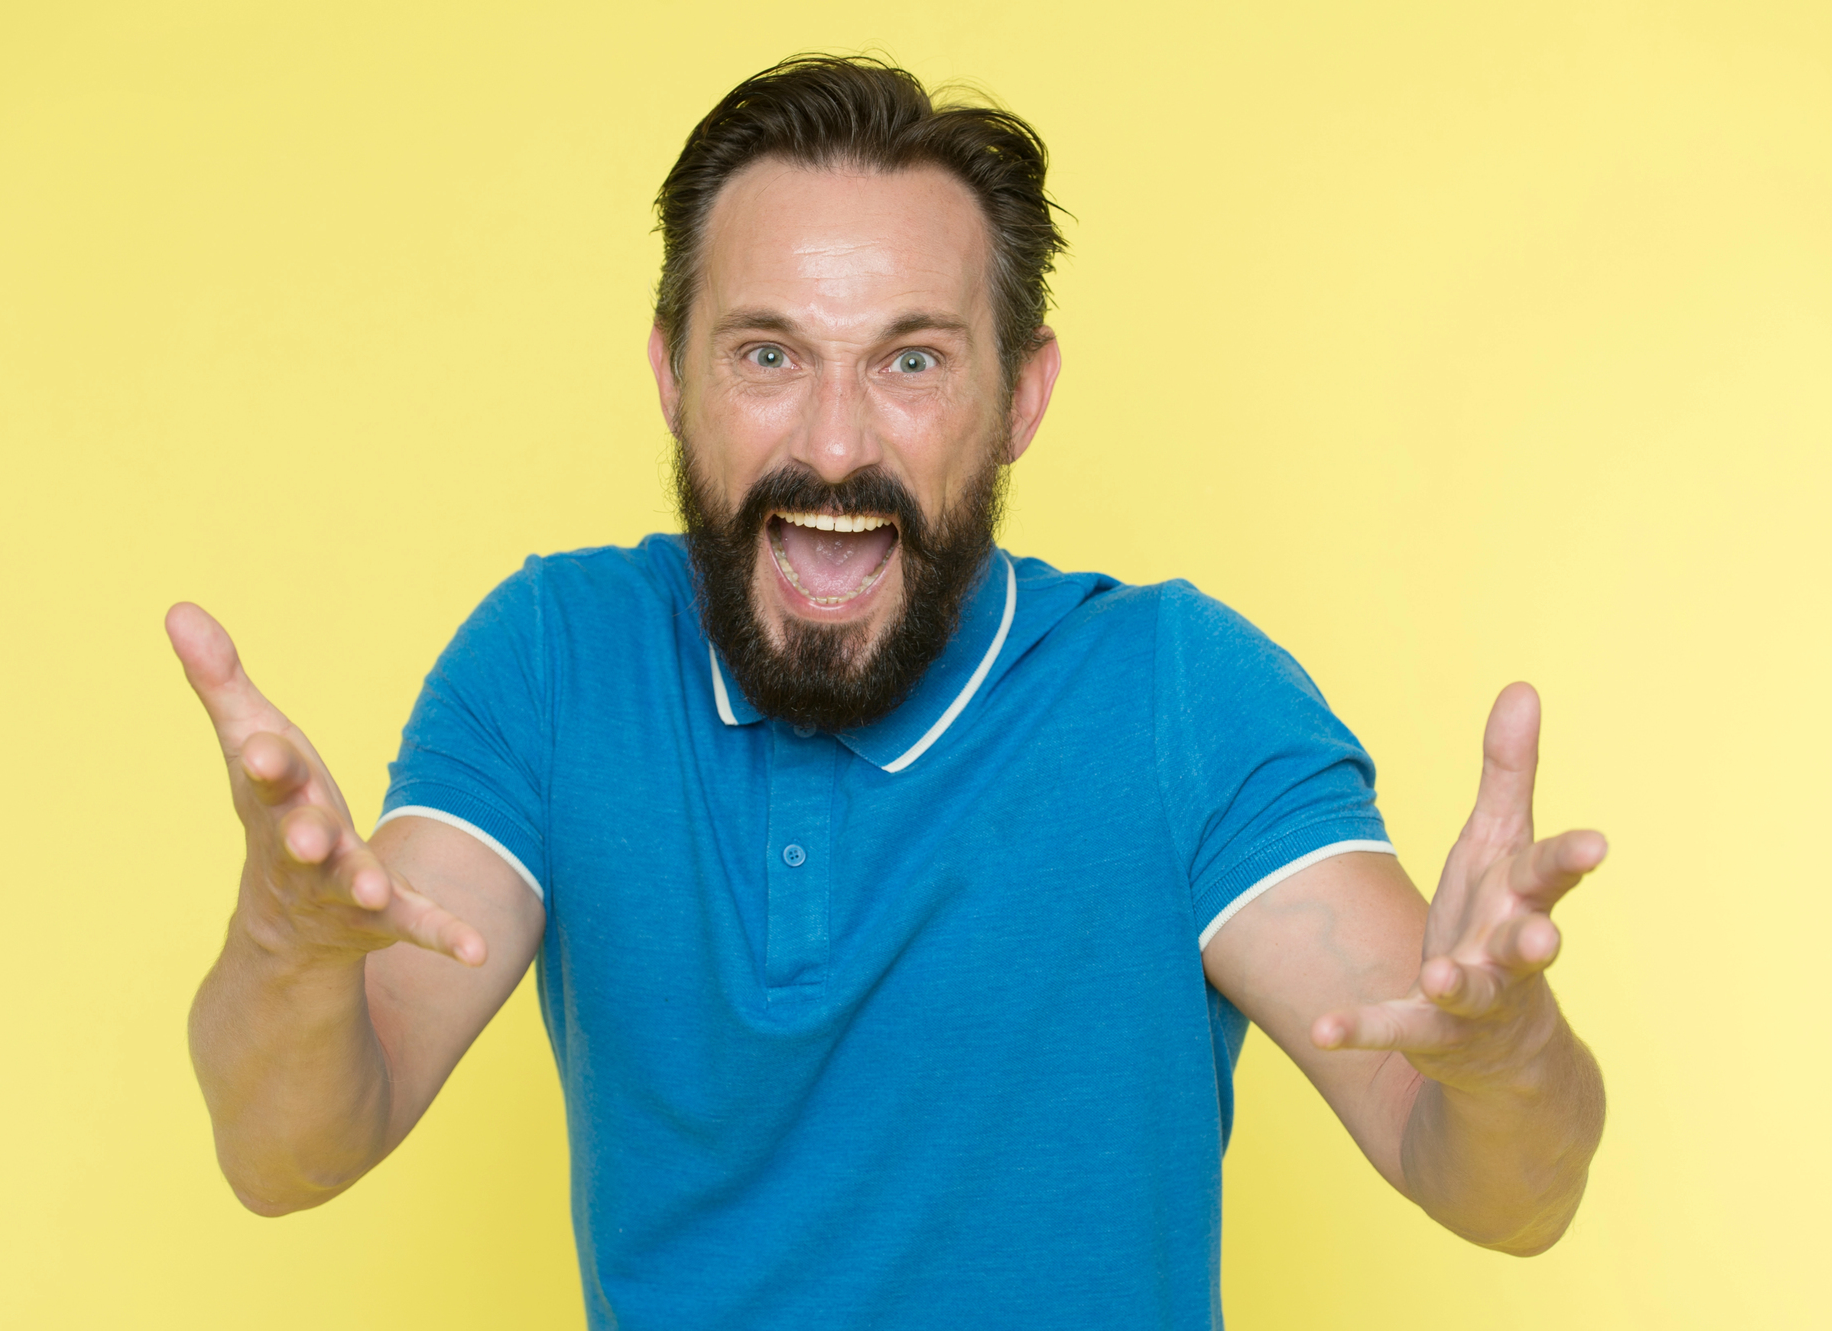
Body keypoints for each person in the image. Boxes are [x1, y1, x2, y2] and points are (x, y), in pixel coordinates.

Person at [170, 55, 1606, 1330]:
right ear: (674, 375)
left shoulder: (1179, 698)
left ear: (1021, 396)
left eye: (911, 360)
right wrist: (288, 954)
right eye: (770, 355)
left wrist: (1505, 1056)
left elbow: (1501, 1192)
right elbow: (290, 1154)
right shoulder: (557, 663)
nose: (837, 443)